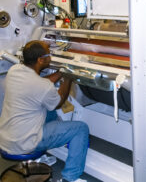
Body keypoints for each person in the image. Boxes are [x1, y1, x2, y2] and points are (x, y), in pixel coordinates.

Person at [0, 40, 89, 182]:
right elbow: (59, 102)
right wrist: (68, 78)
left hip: (6, 139)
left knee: (49, 111)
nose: (51, 56)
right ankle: (70, 177)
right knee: (81, 128)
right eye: (49, 54)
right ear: (40, 60)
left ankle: (51, 143)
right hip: (24, 143)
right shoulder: (42, 87)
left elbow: (39, 84)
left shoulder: (14, 70)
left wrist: (60, 72)